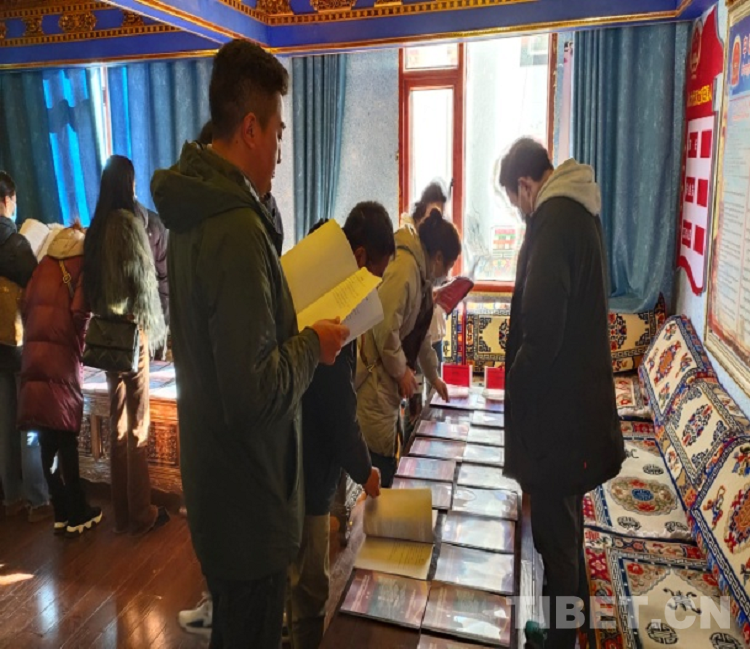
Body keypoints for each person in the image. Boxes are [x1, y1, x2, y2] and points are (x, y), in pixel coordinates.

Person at [151, 39, 348, 648]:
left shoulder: (198, 208)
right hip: (249, 499)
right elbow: (253, 391)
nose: (280, 154)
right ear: (251, 129)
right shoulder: (235, 228)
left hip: (221, 486)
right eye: (279, 134)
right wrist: (312, 345)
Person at [499, 138, 625, 649]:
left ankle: (559, 640)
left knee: (555, 534)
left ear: (526, 185)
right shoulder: (579, 210)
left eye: (515, 200)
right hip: (575, 409)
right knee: (566, 526)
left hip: (558, 417)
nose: (520, 211)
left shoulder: (553, 221)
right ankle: (566, 624)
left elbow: (543, 332)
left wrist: (514, 388)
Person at [289, 202, 394, 649]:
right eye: (374, 275)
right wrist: (364, 469)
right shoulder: (332, 304)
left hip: (297, 453)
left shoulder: (313, 277)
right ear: (359, 256)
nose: (372, 288)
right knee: (311, 587)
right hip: (307, 463)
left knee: (297, 575)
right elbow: (336, 402)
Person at [83, 155, 169, 536]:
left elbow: (91, 287)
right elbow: (145, 288)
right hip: (133, 335)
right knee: (139, 425)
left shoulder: (96, 227)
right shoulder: (130, 225)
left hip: (105, 337)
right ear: (128, 184)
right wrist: (158, 333)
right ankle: (141, 512)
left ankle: (120, 511)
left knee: (116, 423)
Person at [357, 210, 460, 487]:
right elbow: (384, 328)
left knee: (388, 452)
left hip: (386, 378)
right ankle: (377, 509)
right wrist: (402, 371)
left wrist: (434, 376)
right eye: (449, 267)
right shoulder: (405, 269)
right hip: (375, 378)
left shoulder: (420, 274)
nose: (447, 275)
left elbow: (420, 334)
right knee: (379, 462)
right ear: (438, 257)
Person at [17, 224, 101, 536]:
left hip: (34, 355)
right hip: (63, 357)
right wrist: (82, 343)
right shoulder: (82, 265)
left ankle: (60, 512)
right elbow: (80, 313)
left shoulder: (43, 264)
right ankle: (78, 512)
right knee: (66, 435)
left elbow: (25, 305)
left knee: (46, 434)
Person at [0, 171, 52, 523]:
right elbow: (36, 289)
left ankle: (12, 494)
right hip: (18, 341)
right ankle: (37, 497)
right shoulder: (16, 245)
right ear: (7, 200)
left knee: (4, 419)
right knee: (29, 418)